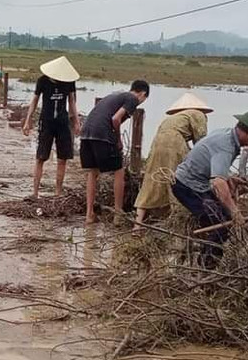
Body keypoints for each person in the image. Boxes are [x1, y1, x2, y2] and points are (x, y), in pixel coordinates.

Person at [172, 110, 248, 265]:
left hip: (198, 184)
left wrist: (229, 178)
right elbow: (218, 183)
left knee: (219, 217)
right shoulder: (226, 146)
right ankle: (207, 266)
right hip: (187, 186)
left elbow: (214, 169)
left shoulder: (226, 133)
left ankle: (204, 257)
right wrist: (235, 211)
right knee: (222, 223)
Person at [133, 92, 213, 230]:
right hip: (175, 142)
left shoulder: (172, 119)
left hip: (157, 143)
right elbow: (201, 143)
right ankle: (177, 222)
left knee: (151, 180)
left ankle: (137, 225)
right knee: (178, 180)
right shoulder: (198, 115)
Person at [78, 80, 150, 224]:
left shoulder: (115, 96)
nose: (141, 102)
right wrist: (118, 140)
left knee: (93, 172)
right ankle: (118, 213)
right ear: (142, 94)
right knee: (119, 170)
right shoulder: (132, 99)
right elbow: (116, 119)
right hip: (101, 133)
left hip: (86, 133)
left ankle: (89, 215)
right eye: (144, 99)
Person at [22, 56, 80, 199]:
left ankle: (58, 192)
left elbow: (72, 101)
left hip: (62, 123)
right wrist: (28, 120)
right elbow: (35, 100)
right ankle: (35, 192)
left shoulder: (69, 82)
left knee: (62, 159)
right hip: (46, 122)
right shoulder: (42, 81)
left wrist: (76, 122)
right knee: (41, 157)